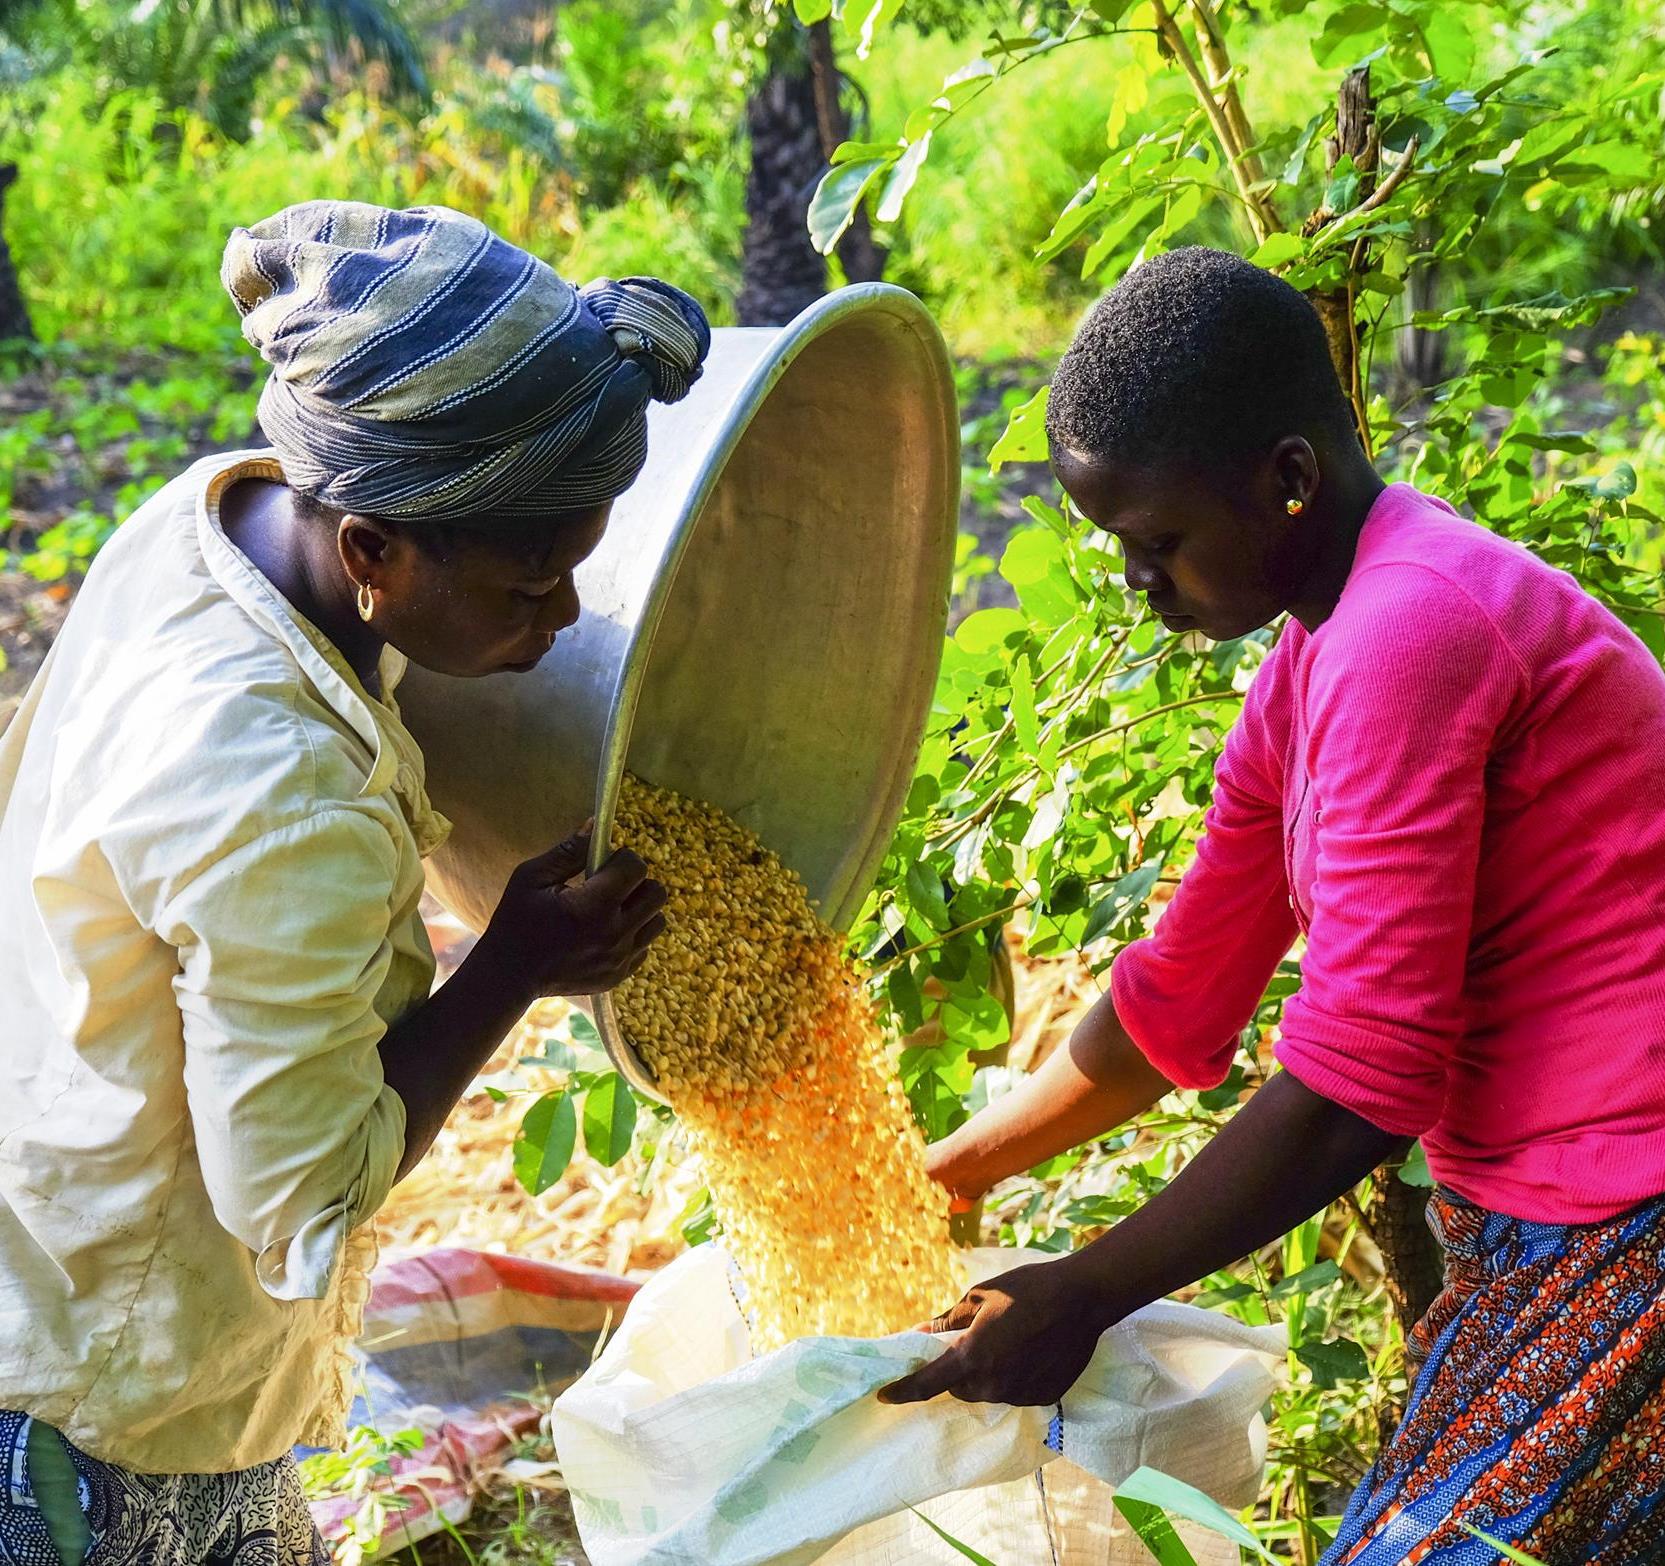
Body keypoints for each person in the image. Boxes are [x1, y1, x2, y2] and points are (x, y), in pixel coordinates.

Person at [886, 246, 1665, 1561]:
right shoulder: (1308, 665)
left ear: (1287, 479)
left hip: (1627, 1210)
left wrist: (1083, 1288)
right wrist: (944, 1175)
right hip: (1544, 1213)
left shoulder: (1410, 630)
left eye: (1157, 542)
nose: (1137, 583)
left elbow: (1359, 1084)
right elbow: (1173, 1004)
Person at [0, 200, 710, 1565]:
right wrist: (508, 965)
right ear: (374, 552)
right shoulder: (278, 790)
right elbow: (304, 1197)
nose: (561, 620)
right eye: (528, 587)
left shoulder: (221, 511)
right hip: (102, 1411)